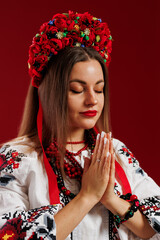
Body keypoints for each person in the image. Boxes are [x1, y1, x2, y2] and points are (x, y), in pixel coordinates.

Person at [0, 10, 160, 240]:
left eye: (99, 89)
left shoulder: (116, 153)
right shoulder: (17, 159)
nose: (92, 100)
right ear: (51, 93)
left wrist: (112, 200)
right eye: (77, 89)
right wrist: (87, 196)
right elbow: (9, 235)